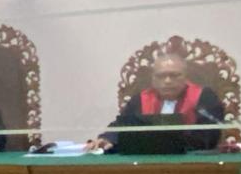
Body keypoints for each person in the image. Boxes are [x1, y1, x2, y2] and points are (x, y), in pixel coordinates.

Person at [88, 52, 226, 152]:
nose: (167, 81)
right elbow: (122, 126)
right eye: (161, 76)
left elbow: (210, 136)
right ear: (153, 79)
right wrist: (107, 138)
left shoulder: (204, 97)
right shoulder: (140, 99)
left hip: (190, 163)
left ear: (185, 77)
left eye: (174, 75)